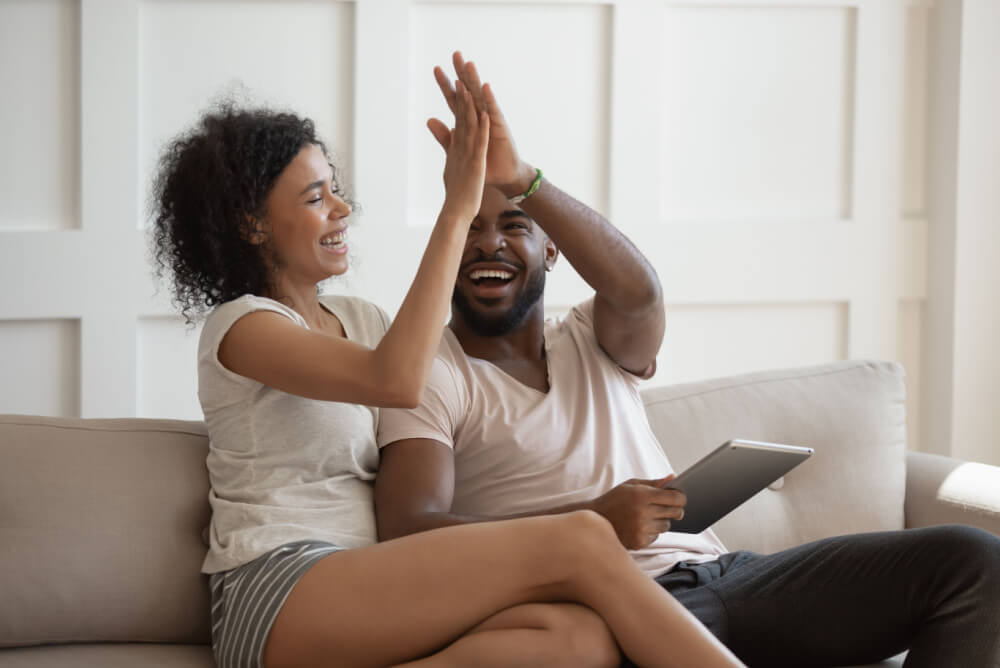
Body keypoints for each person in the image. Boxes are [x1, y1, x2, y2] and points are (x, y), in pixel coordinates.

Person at [375, 53, 1000, 667]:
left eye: (513, 225)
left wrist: (525, 180)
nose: (489, 244)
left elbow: (640, 292)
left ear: (553, 251)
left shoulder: (592, 335)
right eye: (469, 230)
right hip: (606, 612)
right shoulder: (431, 372)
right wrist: (591, 523)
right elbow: (408, 529)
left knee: (974, 563)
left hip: (725, 577)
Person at [149, 65, 746, 667]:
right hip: (279, 587)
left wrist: (510, 183)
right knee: (584, 538)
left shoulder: (362, 319)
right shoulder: (243, 326)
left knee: (579, 642)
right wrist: (459, 205)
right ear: (252, 224)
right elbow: (397, 381)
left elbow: (409, 367)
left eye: (335, 189)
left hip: (370, 582)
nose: (342, 208)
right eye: (315, 197)